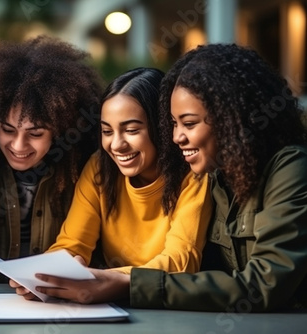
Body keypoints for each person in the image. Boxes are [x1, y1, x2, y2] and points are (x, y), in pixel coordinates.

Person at [29, 44, 307, 312]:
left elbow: (263, 283)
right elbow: (73, 243)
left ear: (230, 118)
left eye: (188, 124)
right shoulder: (220, 174)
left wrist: (120, 282)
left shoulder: (286, 169)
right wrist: (49, 277)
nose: (176, 137)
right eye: (173, 124)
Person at [11, 67, 213, 300]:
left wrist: (104, 279)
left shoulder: (193, 176)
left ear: (163, 128)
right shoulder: (99, 168)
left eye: (131, 130)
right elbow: (73, 244)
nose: (116, 145)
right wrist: (44, 275)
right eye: (107, 131)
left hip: (167, 305)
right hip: (108, 301)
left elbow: (180, 263)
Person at [0, 35, 103, 283]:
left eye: (36, 133)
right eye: (7, 130)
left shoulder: (84, 171)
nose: (18, 145)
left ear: (62, 128)